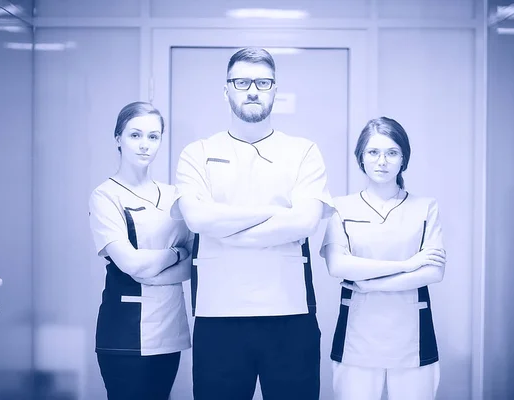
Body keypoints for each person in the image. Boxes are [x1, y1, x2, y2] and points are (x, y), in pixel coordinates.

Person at [171, 47, 334, 400]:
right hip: (218, 315)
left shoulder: (303, 151)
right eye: (241, 81)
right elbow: (197, 218)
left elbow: (305, 222)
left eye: (263, 82)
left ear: (275, 89)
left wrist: (224, 228)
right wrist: (274, 214)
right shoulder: (197, 152)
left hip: (291, 315)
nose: (252, 90)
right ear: (226, 89)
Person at [320, 117, 446, 400]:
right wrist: (407, 265)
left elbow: (433, 272)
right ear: (361, 158)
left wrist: (370, 284)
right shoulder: (341, 207)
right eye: (373, 152)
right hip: (356, 338)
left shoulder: (425, 207)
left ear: (404, 159)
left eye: (392, 153)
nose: (382, 161)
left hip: (413, 338)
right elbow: (338, 265)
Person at [88, 101, 193, 400]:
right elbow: (130, 264)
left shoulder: (175, 195)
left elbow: (194, 262)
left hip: (170, 328)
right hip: (124, 330)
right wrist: (175, 254)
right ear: (118, 138)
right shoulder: (106, 195)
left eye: (153, 136)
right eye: (135, 135)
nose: (144, 144)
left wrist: (157, 271)